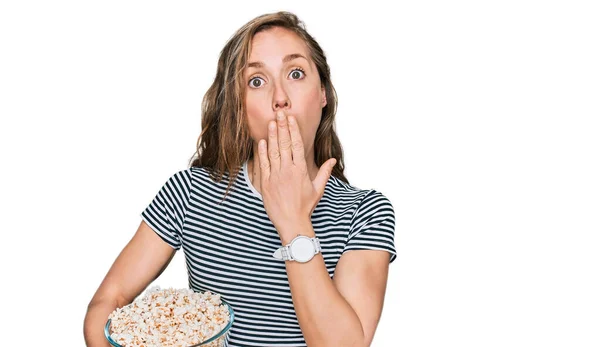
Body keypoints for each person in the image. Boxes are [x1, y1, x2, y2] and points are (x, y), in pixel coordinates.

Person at [84, 11, 397, 347]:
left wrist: (292, 220)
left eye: (295, 73)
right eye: (256, 81)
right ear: (239, 106)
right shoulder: (189, 193)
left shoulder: (365, 212)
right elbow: (107, 303)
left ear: (322, 94)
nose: (280, 98)